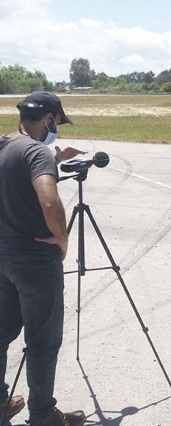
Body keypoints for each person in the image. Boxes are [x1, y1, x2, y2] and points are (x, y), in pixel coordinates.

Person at [0, 92, 87, 426]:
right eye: (57, 122)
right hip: (34, 261)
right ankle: (42, 415)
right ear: (49, 118)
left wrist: (55, 160)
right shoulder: (37, 152)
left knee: (2, 331)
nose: (57, 129)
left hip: (3, 255)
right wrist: (62, 237)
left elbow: (15, 180)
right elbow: (49, 200)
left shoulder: (6, 146)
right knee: (43, 341)